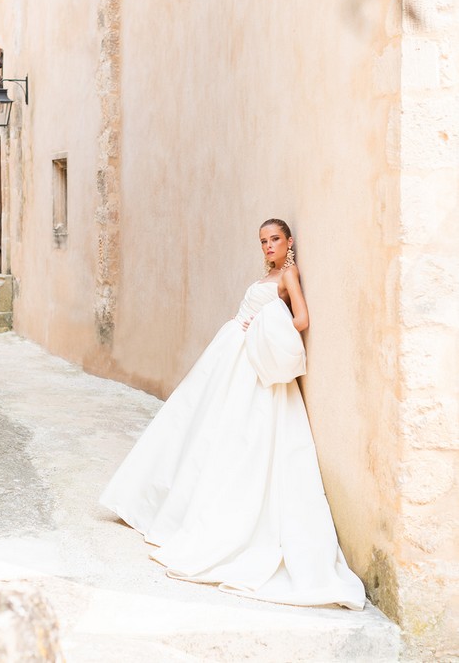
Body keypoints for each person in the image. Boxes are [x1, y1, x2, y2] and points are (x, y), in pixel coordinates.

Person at [100, 219, 366, 610]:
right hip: (232, 353)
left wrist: (263, 325)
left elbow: (302, 320)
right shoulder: (269, 275)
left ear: (289, 241)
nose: (269, 246)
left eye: (275, 239)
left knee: (243, 433)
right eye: (263, 241)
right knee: (198, 425)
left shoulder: (289, 273)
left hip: (253, 357)